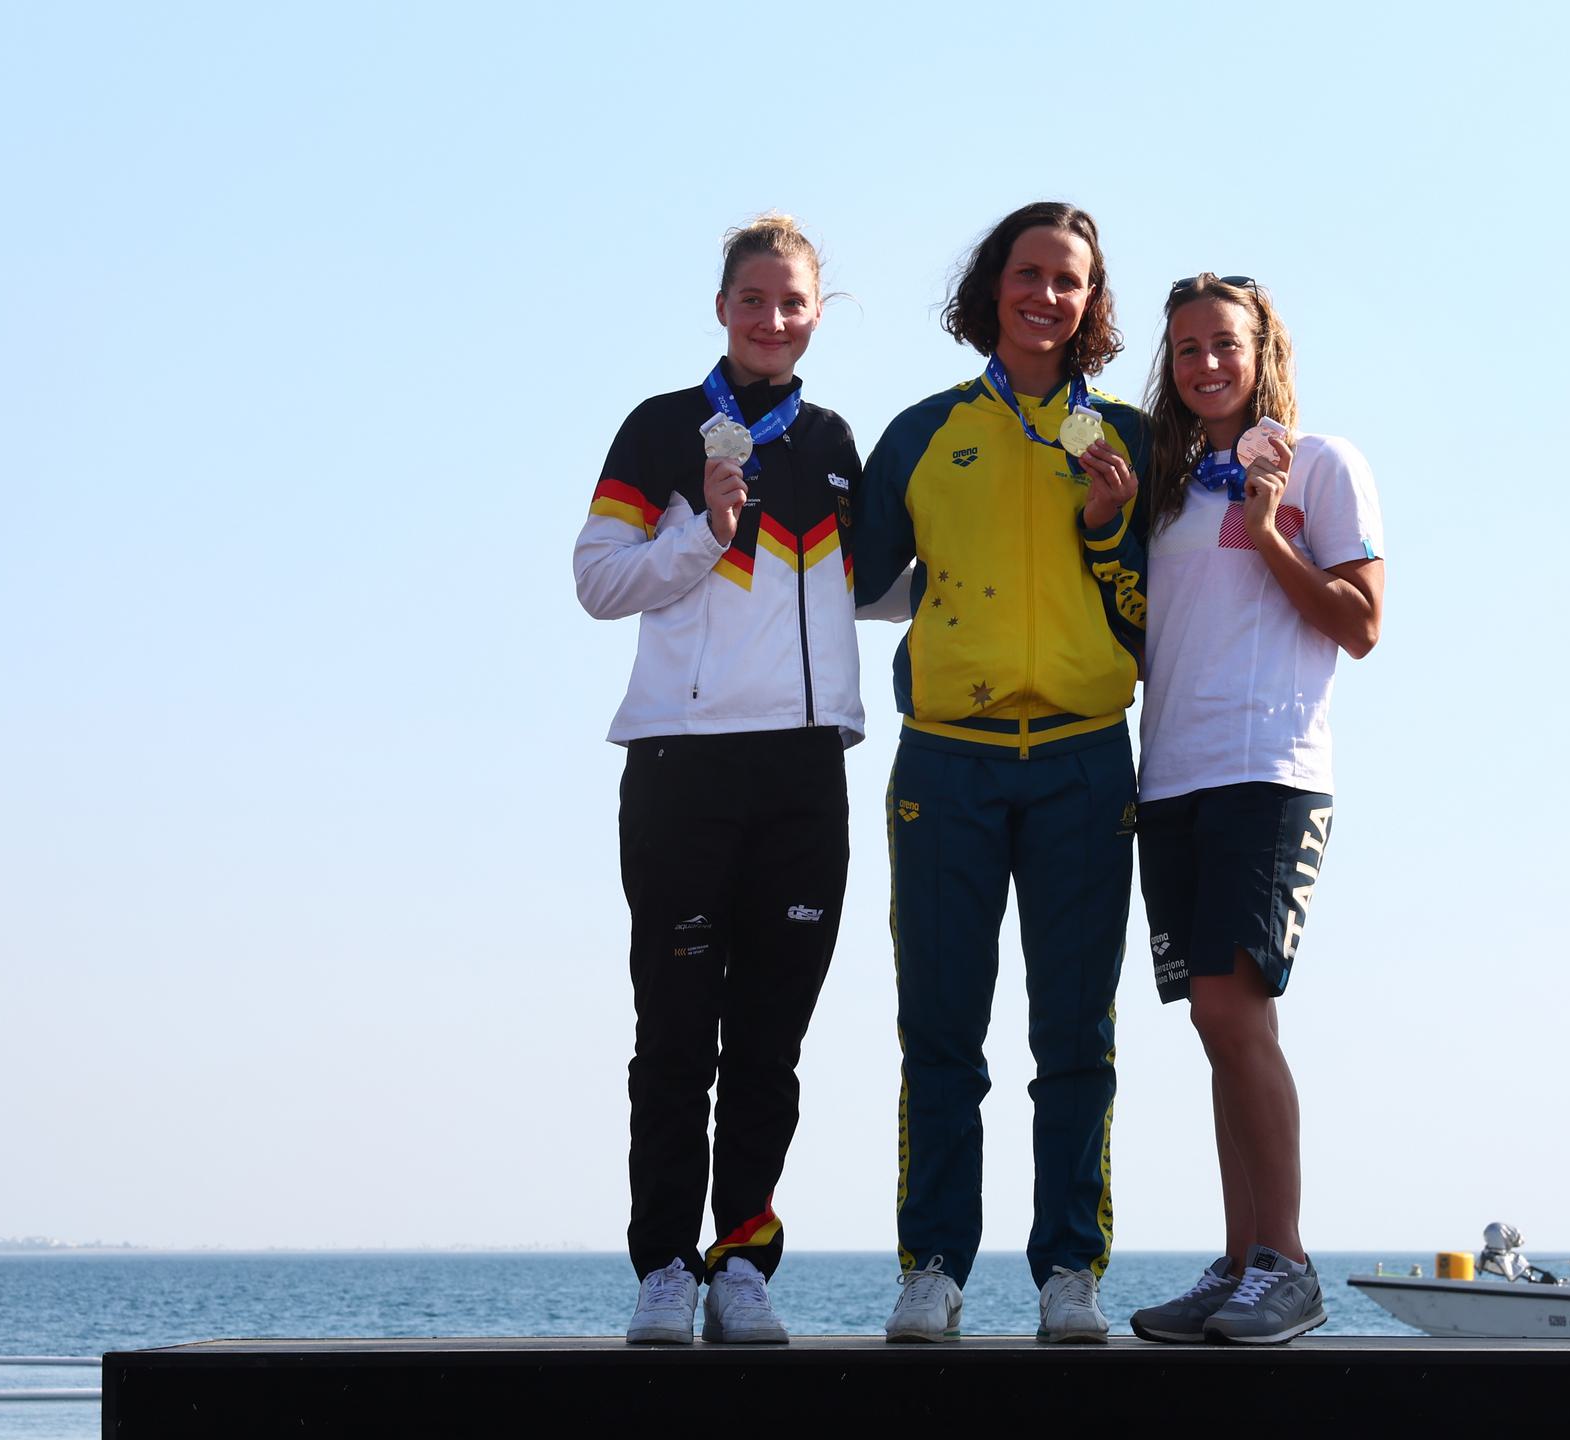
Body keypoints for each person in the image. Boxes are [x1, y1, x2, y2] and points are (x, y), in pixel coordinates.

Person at [852, 201, 1148, 1344]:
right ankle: (933, 1265)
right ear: (994, 287)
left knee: (1076, 1038)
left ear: (1090, 300)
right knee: (941, 1033)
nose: (1046, 295)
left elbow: (1149, 618)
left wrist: (1113, 525)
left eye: (1069, 279)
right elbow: (846, 581)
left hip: (1081, 761)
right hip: (948, 766)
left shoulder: (1128, 435)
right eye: (1028, 274)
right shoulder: (923, 431)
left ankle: (1069, 1271)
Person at [573, 213, 863, 1345]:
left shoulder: (836, 441)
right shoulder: (660, 432)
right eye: (755, 299)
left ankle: (742, 1261)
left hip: (804, 772)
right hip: (680, 770)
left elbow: (882, 585)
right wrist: (708, 533)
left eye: (794, 303)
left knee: (770, 1041)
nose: (774, 319)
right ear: (722, 306)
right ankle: (662, 1268)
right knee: (677, 1033)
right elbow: (597, 581)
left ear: (815, 315)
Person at [1123, 274, 1385, 1345]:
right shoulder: (1170, 485)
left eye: (1222, 343)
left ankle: (1286, 1264)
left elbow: (1363, 623)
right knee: (1213, 1025)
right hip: (1170, 777)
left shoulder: (1321, 462)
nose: (1204, 365)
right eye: (1185, 348)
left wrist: (1272, 531)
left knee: (1238, 1014)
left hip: (1266, 771)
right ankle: (1241, 1265)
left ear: (1260, 348)